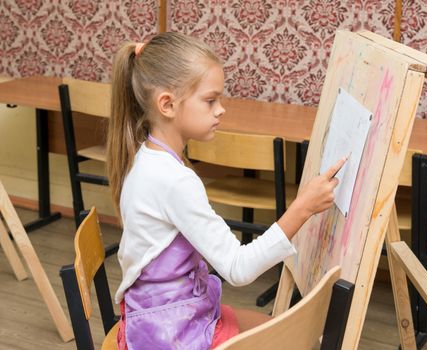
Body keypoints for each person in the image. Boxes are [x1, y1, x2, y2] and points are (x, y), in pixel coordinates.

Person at [107, 32, 346, 350]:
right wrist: (302, 208)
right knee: (294, 339)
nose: (221, 110)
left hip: (161, 318)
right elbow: (238, 267)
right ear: (167, 104)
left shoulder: (147, 157)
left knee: (281, 331)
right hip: (169, 334)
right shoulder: (173, 180)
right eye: (210, 100)